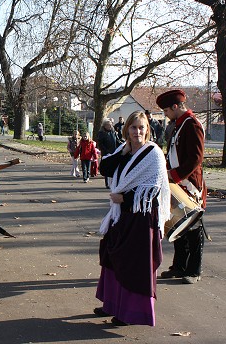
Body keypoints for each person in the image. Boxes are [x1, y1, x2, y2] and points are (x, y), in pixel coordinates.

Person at [95, 111, 171, 326]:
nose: (138, 132)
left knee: (134, 267)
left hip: (141, 218)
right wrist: (123, 152)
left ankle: (131, 313)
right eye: (133, 127)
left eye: (141, 127)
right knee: (113, 259)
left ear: (148, 129)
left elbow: (152, 190)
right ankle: (111, 303)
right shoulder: (124, 150)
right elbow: (105, 168)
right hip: (121, 216)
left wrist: (124, 199)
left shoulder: (153, 153)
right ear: (126, 129)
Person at [156, 89, 207, 284]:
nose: (165, 114)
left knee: (193, 228)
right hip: (177, 182)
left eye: (166, 110)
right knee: (179, 226)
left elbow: (195, 158)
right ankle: (179, 266)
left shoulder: (192, 124)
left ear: (175, 107)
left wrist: (175, 176)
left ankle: (194, 270)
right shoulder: (179, 124)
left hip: (189, 183)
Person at [97, 119, 121, 188]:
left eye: (111, 124)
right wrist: (106, 151)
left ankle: (113, 183)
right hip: (106, 154)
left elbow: (117, 141)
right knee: (107, 168)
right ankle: (107, 183)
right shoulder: (101, 133)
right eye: (108, 125)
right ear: (104, 126)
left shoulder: (113, 132)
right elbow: (100, 144)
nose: (110, 126)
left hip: (114, 152)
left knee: (114, 168)